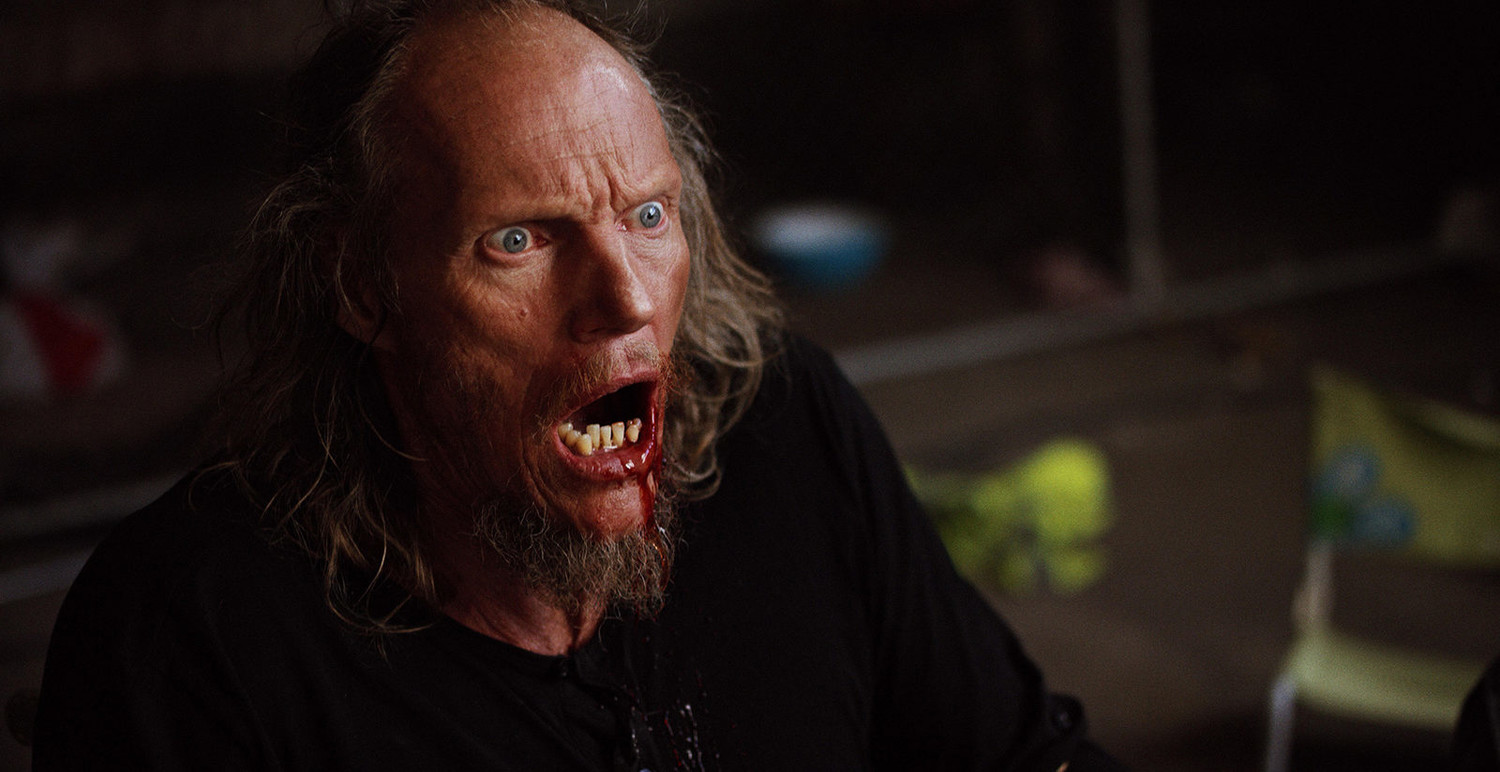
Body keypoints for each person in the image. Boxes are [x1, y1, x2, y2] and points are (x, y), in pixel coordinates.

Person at [33, 1, 1125, 769]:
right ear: (363, 284)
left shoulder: (783, 427)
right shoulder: (191, 636)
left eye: (648, 216)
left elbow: (1024, 753)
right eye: (519, 239)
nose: (626, 300)